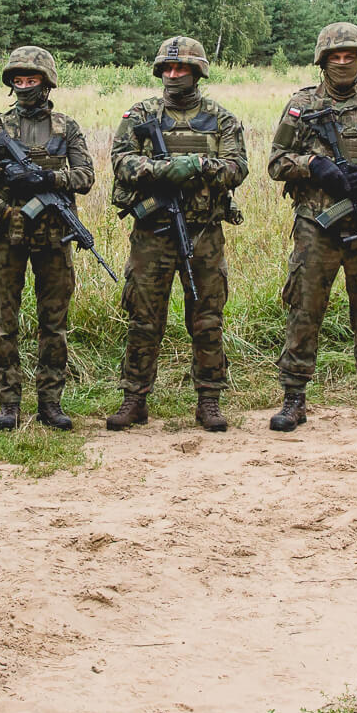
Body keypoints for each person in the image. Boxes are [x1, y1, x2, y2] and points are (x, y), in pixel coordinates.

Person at [265, 22, 357, 432]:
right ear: (323, 61)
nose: (343, 63)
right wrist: (313, 165)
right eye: (335, 57)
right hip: (317, 225)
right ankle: (293, 399)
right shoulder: (302, 106)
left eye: (350, 56)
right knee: (305, 309)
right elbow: (277, 161)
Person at [105, 37, 248, 432]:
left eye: (180, 69)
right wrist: (162, 171)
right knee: (144, 319)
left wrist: (199, 165)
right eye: (167, 69)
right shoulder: (140, 114)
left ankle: (209, 401)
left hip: (203, 232)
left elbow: (238, 167)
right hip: (152, 233)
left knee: (206, 318)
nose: (172, 75)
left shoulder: (221, 119)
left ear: (197, 71)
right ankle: (134, 398)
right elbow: (121, 161)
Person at [0, 47, 95, 432]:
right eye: (18, 81)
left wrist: (50, 179)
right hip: (7, 236)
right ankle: (8, 404)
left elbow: (85, 177)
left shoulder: (65, 127)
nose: (24, 87)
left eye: (32, 80)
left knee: (53, 324)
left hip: (54, 238)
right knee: (5, 323)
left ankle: (50, 403)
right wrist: (4, 174)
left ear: (47, 82)